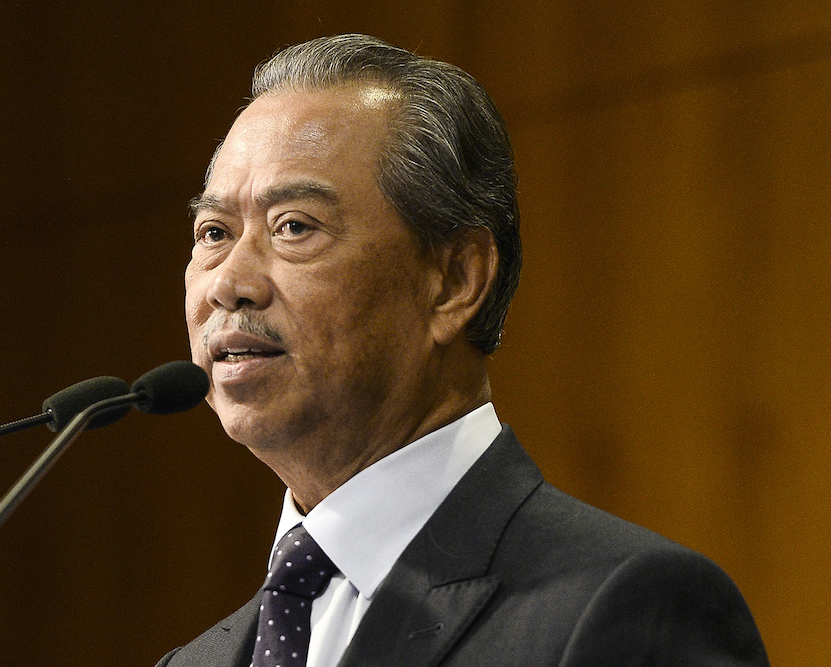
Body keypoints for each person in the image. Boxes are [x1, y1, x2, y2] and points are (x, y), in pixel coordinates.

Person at [160, 34, 767, 666]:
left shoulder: (633, 609)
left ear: (455, 281)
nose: (229, 282)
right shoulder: (192, 662)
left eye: (294, 227)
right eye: (214, 233)